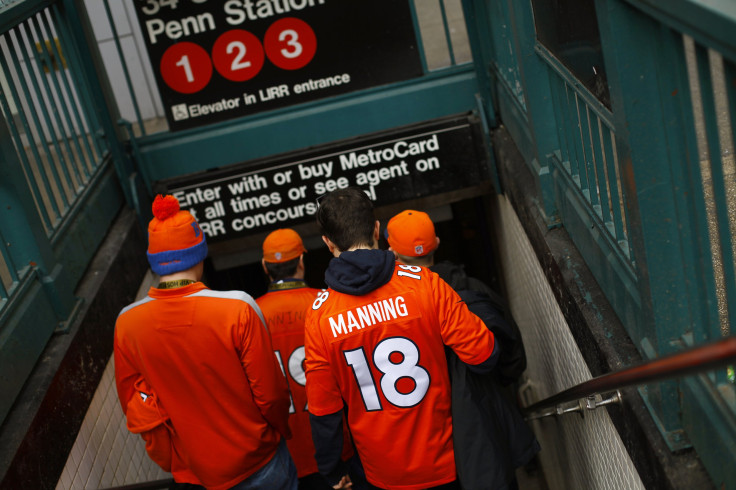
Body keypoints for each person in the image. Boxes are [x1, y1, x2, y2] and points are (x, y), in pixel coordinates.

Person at [304, 187, 500, 490]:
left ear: (327, 243)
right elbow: (485, 355)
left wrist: (331, 469)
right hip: (448, 460)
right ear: (377, 230)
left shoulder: (318, 316)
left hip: (382, 472)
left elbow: (324, 411)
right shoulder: (425, 284)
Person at [114, 194, 297, 490]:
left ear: (155, 263)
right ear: (198, 253)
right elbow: (271, 395)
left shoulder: (127, 322)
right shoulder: (238, 308)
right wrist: (280, 432)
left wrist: (174, 461)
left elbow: (134, 405)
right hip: (258, 461)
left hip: (195, 474)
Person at [385, 209, 540, 490]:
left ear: (392, 255)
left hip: (427, 443)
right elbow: (512, 358)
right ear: (438, 243)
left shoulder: (396, 311)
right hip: (486, 432)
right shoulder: (473, 288)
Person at [256, 229, 357, 490]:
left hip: (284, 452)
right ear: (302, 261)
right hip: (337, 443)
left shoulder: (250, 314)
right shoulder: (328, 303)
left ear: (265, 267)